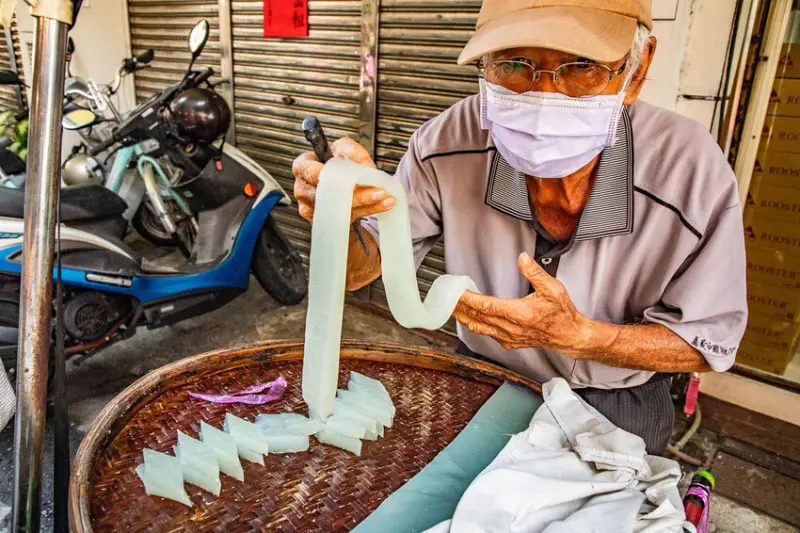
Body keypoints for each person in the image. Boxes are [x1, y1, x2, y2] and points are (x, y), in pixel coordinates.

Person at [292, 0, 747, 455]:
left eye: (581, 66)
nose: (543, 97)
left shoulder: (689, 171)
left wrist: (582, 337)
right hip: (482, 376)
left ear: (638, 70)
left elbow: (706, 342)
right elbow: (359, 272)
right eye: (513, 64)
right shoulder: (445, 144)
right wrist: (338, 215)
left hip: (612, 403)